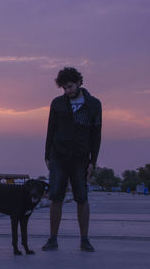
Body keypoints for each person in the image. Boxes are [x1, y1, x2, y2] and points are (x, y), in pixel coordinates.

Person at [42, 67, 102, 252]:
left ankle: (84, 240)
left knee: (82, 198)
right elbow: (50, 129)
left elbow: (96, 134)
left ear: (78, 83)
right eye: (64, 88)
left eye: (69, 87)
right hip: (58, 156)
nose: (67, 91)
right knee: (56, 197)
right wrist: (47, 156)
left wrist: (93, 160)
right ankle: (53, 239)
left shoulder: (94, 104)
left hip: (81, 158)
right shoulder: (57, 104)